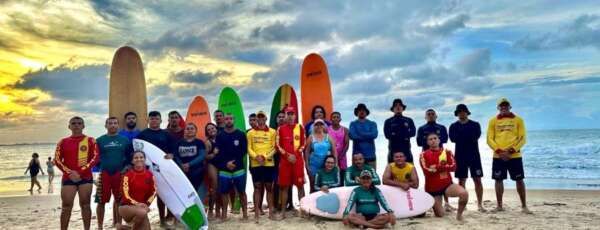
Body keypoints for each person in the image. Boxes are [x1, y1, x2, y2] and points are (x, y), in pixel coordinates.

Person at [54, 116, 100, 230]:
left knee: (85, 205)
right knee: (66, 207)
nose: (76, 125)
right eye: (73, 123)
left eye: (79, 123)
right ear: (69, 126)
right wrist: (70, 173)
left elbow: (96, 158)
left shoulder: (90, 140)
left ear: (83, 126)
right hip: (68, 178)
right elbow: (57, 160)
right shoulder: (63, 142)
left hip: (85, 178)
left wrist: (79, 172)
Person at [487, 98, 531, 214]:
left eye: (506, 106)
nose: (504, 107)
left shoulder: (518, 120)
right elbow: (489, 139)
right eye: (501, 106)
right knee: (498, 179)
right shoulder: (493, 121)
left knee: (519, 179)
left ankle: (524, 206)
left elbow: (522, 139)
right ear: (498, 108)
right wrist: (500, 151)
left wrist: (510, 151)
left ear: (510, 107)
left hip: (514, 156)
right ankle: (499, 206)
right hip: (498, 156)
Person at [135, 111, 175, 227]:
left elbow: (173, 150)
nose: (154, 121)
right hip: (147, 169)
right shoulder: (142, 135)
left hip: (164, 169)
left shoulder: (166, 134)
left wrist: (171, 155)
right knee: (150, 194)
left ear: (161, 121)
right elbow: (137, 150)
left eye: (156, 119)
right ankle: (151, 219)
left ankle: (166, 218)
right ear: (148, 121)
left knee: (165, 193)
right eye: (152, 119)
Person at [420, 133, 468, 221]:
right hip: (433, 189)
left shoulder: (447, 152)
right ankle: (430, 204)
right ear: (427, 142)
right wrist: (445, 167)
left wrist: (437, 167)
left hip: (447, 185)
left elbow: (453, 167)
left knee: (464, 194)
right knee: (440, 214)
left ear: (439, 140)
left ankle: (459, 215)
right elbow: (426, 171)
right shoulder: (423, 155)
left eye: (435, 138)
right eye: (430, 139)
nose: (433, 140)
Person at [450, 104, 486, 212]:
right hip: (460, 156)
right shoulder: (453, 126)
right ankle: (463, 204)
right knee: (461, 181)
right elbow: (453, 139)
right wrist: (466, 137)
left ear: (467, 112)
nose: (462, 113)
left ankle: (480, 204)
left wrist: (462, 137)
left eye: (463, 111)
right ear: (457, 114)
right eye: (459, 112)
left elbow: (475, 136)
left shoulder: (475, 124)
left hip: (474, 155)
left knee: (477, 179)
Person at [96, 117, 130, 229]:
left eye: (115, 123)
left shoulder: (124, 140)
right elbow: (95, 158)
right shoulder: (100, 140)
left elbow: (130, 157)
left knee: (119, 200)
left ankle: (118, 224)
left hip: (119, 174)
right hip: (104, 173)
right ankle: (100, 226)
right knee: (101, 201)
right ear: (106, 126)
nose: (113, 125)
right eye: (110, 123)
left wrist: (127, 167)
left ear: (118, 125)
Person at [214, 113, 248, 221]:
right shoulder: (220, 135)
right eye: (227, 119)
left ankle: (245, 214)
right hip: (224, 169)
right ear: (224, 120)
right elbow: (218, 152)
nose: (229, 120)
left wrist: (233, 163)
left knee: (242, 192)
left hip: (238, 168)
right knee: (224, 192)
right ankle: (224, 214)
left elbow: (244, 151)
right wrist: (226, 163)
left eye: (231, 118)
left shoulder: (241, 134)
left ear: (234, 120)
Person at [416, 109, 452, 210]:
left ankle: (447, 203)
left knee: (444, 176)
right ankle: (430, 202)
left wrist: (430, 139)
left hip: (440, 154)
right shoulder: (421, 128)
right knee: (429, 177)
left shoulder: (441, 127)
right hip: (427, 156)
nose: (431, 116)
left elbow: (445, 139)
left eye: (433, 114)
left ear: (436, 116)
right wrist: (432, 139)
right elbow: (419, 142)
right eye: (429, 114)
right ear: (425, 117)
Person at [246, 111, 277, 222]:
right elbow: (248, 148)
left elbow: (275, 148)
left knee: (269, 188)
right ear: (257, 119)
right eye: (258, 117)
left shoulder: (273, 132)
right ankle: (257, 214)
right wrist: (256, 157)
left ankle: (271, 213)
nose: (260, 119)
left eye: (262, 117)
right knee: (257, 187)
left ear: (266, 118)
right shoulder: (250, 133)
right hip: (255, 164)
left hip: (268, 163)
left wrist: (264, 157)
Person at [276, 106, 306, 219]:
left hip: (298, 162)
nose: (290, 116)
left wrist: (296, 155)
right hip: (285, 162)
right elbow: (277, 145)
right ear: (285, 115)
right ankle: (283, 212)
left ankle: (303, 211)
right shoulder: (280, 129)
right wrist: (287, 156)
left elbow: (303, 144)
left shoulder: (300, 127)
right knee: (284, 187)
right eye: (288, 114)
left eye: (292, 114)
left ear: (295, 115)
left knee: (300, 186)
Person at [118, 150, 156, 230]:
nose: (139, 159)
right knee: (142, 212)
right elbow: (125, 195)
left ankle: (124, 228)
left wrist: (146, 204)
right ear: (132, 161)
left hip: (142, 208)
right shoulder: (127, 175)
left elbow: (154, 192)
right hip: (126, 207)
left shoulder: (150, 174)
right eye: (136, 158)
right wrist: (138, 204)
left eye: (141, 157)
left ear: (145, 159)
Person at [171, 123, 206, 194]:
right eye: (187, 129)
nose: (189, 130)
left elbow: (202, 156)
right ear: (184, 131)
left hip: (197, 172)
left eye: (192, 128)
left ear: (196, 131)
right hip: (182, 172)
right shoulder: (178, 143)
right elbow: (176, 156)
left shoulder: (199, 142)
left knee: (194, 193)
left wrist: (189, 164)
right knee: (184, 193)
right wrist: (181, 165)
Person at [305, 119, 337, 193]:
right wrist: (307, 165)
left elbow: (334, 151)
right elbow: (306, 152)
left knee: (325, 185)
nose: (319, 126)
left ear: (324, 126)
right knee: (313, 186)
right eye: (317, 124)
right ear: (314, 126)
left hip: (326, 166)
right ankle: (311, 204)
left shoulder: (328, 137)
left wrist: (335, 164)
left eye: (321, 124)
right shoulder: (310, 137)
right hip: (314, 166)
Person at [384, 99, 416, 163]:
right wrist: (404, 133)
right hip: (393, 150)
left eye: (400, 106)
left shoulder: (409, 120)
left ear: (402, 108)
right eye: (396, 106)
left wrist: (395, 133)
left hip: (406, 150)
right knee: (392, 171)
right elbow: (387, 135)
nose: (398, 107)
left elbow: (413, 133)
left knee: (410, 170)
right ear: (393, 109)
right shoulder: (388, 121)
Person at [349, 104, 378, 169]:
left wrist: (360, 133)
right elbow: (352, 136)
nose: (362, 112)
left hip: (370, 155)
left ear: (366, 112)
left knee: (372, 176)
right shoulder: (353, 124)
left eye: (363, 110)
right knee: (356, 177)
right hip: (357, 156)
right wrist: (368, 135)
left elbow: (374, 135)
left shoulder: (372, 123)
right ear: (357, 112)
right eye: (359, 110)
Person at [204, 123, 221, 220]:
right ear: (207, 132)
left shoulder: (222, 138)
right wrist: (214, 154)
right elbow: (205, 157)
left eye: (212, 128)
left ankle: (218, 210)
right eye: (209, 129)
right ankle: (211, 210)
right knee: (214, 188)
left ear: (216, 128)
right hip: (212, 164)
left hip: (222, 165)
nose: (211, 130)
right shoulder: (208, 142)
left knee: (220, 188)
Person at [327, 111, 349, 184]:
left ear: (340, 119)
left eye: (337, 117)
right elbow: (327, 143)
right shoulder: (327, 130)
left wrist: (340, 156)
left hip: (342, 157)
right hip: (331, 156)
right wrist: (333, 156)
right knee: (333, 178)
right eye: (334, 117)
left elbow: (346, 144)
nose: (336, 118)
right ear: (331, 119)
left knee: (342, 178)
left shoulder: (345, 130)